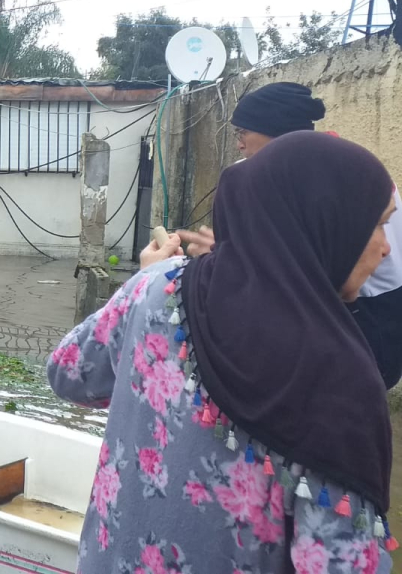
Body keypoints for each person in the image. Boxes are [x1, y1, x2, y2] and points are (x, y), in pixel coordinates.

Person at [54, 132, 397, 572]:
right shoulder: (343, 380)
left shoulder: (157, 289)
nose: (386, 248)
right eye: (378, 223)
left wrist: (138, 287)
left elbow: (67, 373)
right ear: (326, 223)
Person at [143, 82, 402, 388]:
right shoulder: (297, 174)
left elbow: (295, 272)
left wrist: (157, 279)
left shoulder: (339, 182)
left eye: (243, 133)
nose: (239, 144)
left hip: (369, 316)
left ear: (276, 132)